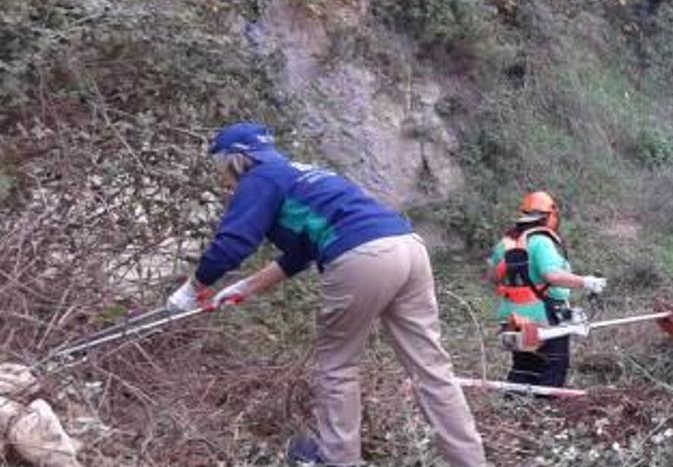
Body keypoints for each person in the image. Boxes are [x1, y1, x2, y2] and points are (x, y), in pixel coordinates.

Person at [165, 122, 486, 465]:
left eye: (219, 167)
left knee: (336, 366)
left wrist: (190, 289)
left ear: (235, 160)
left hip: (363, 257)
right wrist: (246, 287)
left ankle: (338, 460)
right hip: (408, 247)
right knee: (430, 368)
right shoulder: (299, 174)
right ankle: (470, 460)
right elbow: (301, 252)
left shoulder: (259, 178)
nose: (221, 179)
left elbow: (233, 243)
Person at [485, 191, 606, 389]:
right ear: (549, 216)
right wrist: (586, 282)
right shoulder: (541, 241)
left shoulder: (506, 242)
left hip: (514, 314)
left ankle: (515, 403)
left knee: (525, 363)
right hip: (543, 314)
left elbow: (492, 277)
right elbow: (552, 275)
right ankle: (545, 405)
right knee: (554, 363)